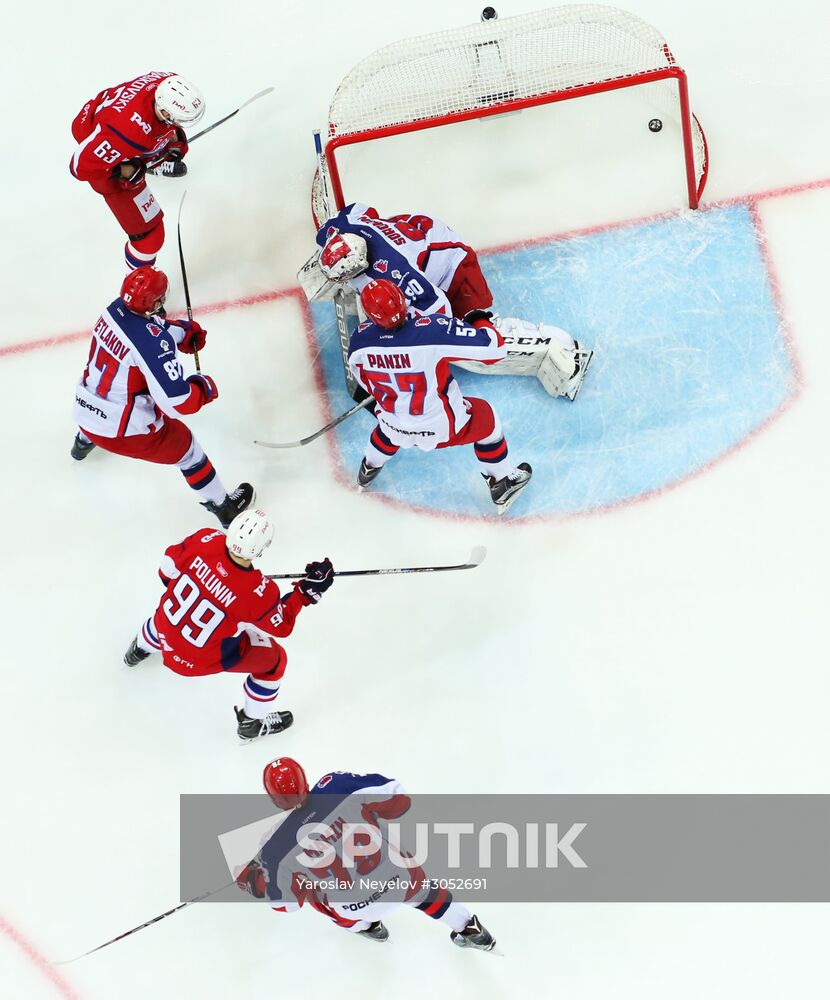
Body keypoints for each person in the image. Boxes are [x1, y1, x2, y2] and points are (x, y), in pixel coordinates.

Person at [302, 202, 592, 400]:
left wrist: (413, 346)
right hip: (424, 236)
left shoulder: (400, 274)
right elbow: (363, 210)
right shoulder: (341, 227)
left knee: (470, 349)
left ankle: (558, 346)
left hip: (454, 269)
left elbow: (439, 317)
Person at [234, 757, 496, 951]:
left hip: (356, 908)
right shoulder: (337, 785)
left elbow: (287, 904)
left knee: (315, 894)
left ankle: (370, 927)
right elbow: (400, 799)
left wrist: (254, 881)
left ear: (273, 799)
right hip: (400, 880)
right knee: (419, 886)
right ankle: (469, 927)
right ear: (305, 779)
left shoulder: (274, 846)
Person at [123, 510, 334, 741]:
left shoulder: (205, 538)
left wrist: (206, 584)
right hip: (196, 660)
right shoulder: (259, 592)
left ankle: (139, 650)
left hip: (164, 628)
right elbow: (281, 626)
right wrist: (304, 592)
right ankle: (251, 724)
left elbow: (165, 572)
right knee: (275, 662)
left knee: (165, 620)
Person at [71, 265, 254, 528]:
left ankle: (81, 445)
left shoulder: (113, 309)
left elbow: (146, 329)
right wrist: (203, 388)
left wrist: (181, 331)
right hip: (124, 432)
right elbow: (177, 403)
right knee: (189, 451)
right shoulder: (151, 344)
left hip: (85, 412)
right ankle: (225, 509)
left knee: (107, 397)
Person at [348, 279, 532, 514]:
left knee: (388, 428)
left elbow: (364, 381)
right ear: (401, 301)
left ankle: (368, 469)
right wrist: (478, 319)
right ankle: (503, 481)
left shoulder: (359, 339)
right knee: (488, 420)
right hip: (443, 428)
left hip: (393, 422)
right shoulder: (431, 330)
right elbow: (495, 349)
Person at [69, 72, 204, 269]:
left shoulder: (165, 81)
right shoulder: (124, 133)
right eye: (176, 118)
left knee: (176, 145)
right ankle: (135, 293)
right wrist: (125, 169)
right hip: (100, 151)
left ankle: (152, 160)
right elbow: (79, 166)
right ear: (165, 112)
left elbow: (152, 123)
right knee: (150, 238)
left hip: (103, 116)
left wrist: (169, 139)